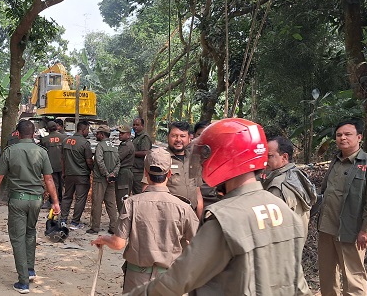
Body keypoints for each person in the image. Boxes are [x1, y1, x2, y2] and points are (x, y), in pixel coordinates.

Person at [127, 118, 311, 295]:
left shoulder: (224, 219)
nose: (203, 163)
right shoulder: (284, 211)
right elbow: (299, 286)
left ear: (225, 159)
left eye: (207, 156)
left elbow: (175, 282)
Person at [91, 147, 199, 293]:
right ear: (169, 174)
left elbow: (118, 244)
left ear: (145, 174)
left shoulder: (131, 203)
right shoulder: (184, 208)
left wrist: (103, 239)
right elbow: (197, 244)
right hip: (169, 279)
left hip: (136, 279)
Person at [0, 120, 60, 294]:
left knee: (17, 238)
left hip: (18, 200)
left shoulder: (10, 151)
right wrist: (55, 201)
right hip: (36, 200)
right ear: (33, 133)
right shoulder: (41, 152)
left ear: (17, 134)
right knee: (30, 232)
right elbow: (49, 179)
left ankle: (23, 282)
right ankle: (30, 269)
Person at [317, 118, 367, 296]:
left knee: (353, 277)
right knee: (327, 276)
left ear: (359, 137)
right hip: (326, 228)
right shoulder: (336, 160)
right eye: (339, 135)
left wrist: (365, 230)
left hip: (352, 230)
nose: (342, 138)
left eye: (348, 134)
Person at [261, 136, 317, 236]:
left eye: (269, 156)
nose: (265, 160)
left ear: (284, 157)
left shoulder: (278, 186)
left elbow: (271, 227)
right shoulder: (297, 174)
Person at [163, 121, 204, 219]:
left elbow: (197, 192)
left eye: (182, 136)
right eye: (174, 136)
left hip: (191, 215)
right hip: (169, 217)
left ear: (189, 138)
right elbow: (148, 189)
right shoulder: (160, 158)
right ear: (168, 137)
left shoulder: (194, 159)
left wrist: (200, 221)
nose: (178, 139)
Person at [60, 120, 93, 229]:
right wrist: (92, 170)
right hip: (82, 175)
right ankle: (75, 222)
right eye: (87, 129)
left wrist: (64, 172)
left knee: (67, 197)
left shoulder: (66, 141)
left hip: (69, 174)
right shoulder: (85, 143)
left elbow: (63, 159)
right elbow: (89, 161)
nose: (88, 132)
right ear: (83, 130)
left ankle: (63, 219)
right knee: (80, 198)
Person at [88, 125, 119, 235]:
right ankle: (114, 227)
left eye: (97, 133)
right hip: (111, 179)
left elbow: (99, 161)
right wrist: (112, 174)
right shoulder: (114, 146)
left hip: (100, 179)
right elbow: (118, 163)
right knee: (111, 204)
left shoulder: (100, 146)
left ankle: (95, 227)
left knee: (97, 202)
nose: (96, 135)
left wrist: (105, 174)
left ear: (101, 134)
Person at [38, 121, 66, 209]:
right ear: (56, 127)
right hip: (63, 165)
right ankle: (61, 201)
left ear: (48, 129)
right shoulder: (64, 138)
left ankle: (52, 201)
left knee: (53, 184)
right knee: (62, 184)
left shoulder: (45, 139)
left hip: (50, 165)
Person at [193, 120, 219, 207]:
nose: (202, 139)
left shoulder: (219, 158)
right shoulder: (186, 156)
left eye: (207, 135)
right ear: (193, 136)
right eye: (199, 135)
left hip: (214, 206)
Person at [116, 125, 135, 213]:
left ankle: (123, 219)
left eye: (122, 133)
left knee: (122, 198)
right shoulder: (124, 144)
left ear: (128, 134)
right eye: (120, 133)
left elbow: (117, 158)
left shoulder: (127, 145)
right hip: (123, 172)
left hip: (124, 173)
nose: (120, 135)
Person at [131, 117, 152, 195]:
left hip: (139, 171)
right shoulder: (136, 137)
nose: (135, 126)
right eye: (134, 125)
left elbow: (145, 152)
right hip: (134, 170)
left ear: (142, 126)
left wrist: (132, 153)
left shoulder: (144, 137)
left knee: (139, 193)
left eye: (137, 125)